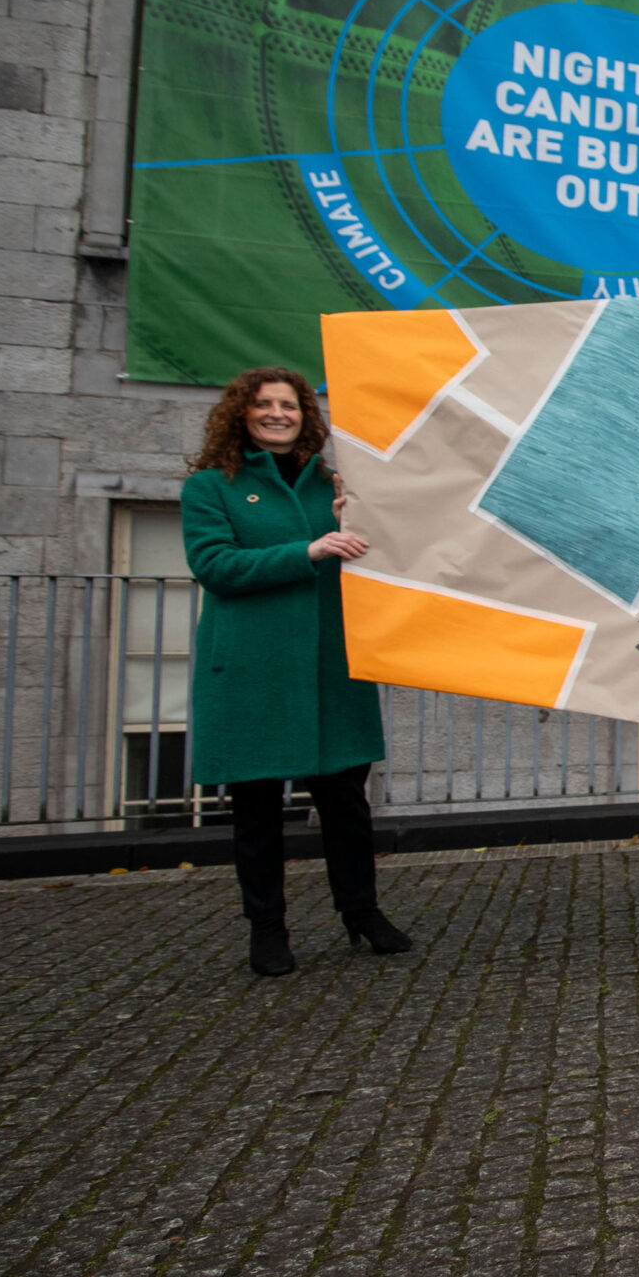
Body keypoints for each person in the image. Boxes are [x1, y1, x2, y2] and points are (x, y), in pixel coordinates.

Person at [181, 367, 410, 977]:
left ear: (306, 416)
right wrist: (308, 551)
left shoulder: (334, 484)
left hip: (330, 669)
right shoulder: (210, 487)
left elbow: (374, 557)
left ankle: (362, 915)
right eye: (265, 404)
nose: (278, 413)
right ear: (242, 413)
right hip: (255, 671)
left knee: (346, 806)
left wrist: (352, 522)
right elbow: (215, 566)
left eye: (290, 405)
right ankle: (267, 929)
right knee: (256, 813)